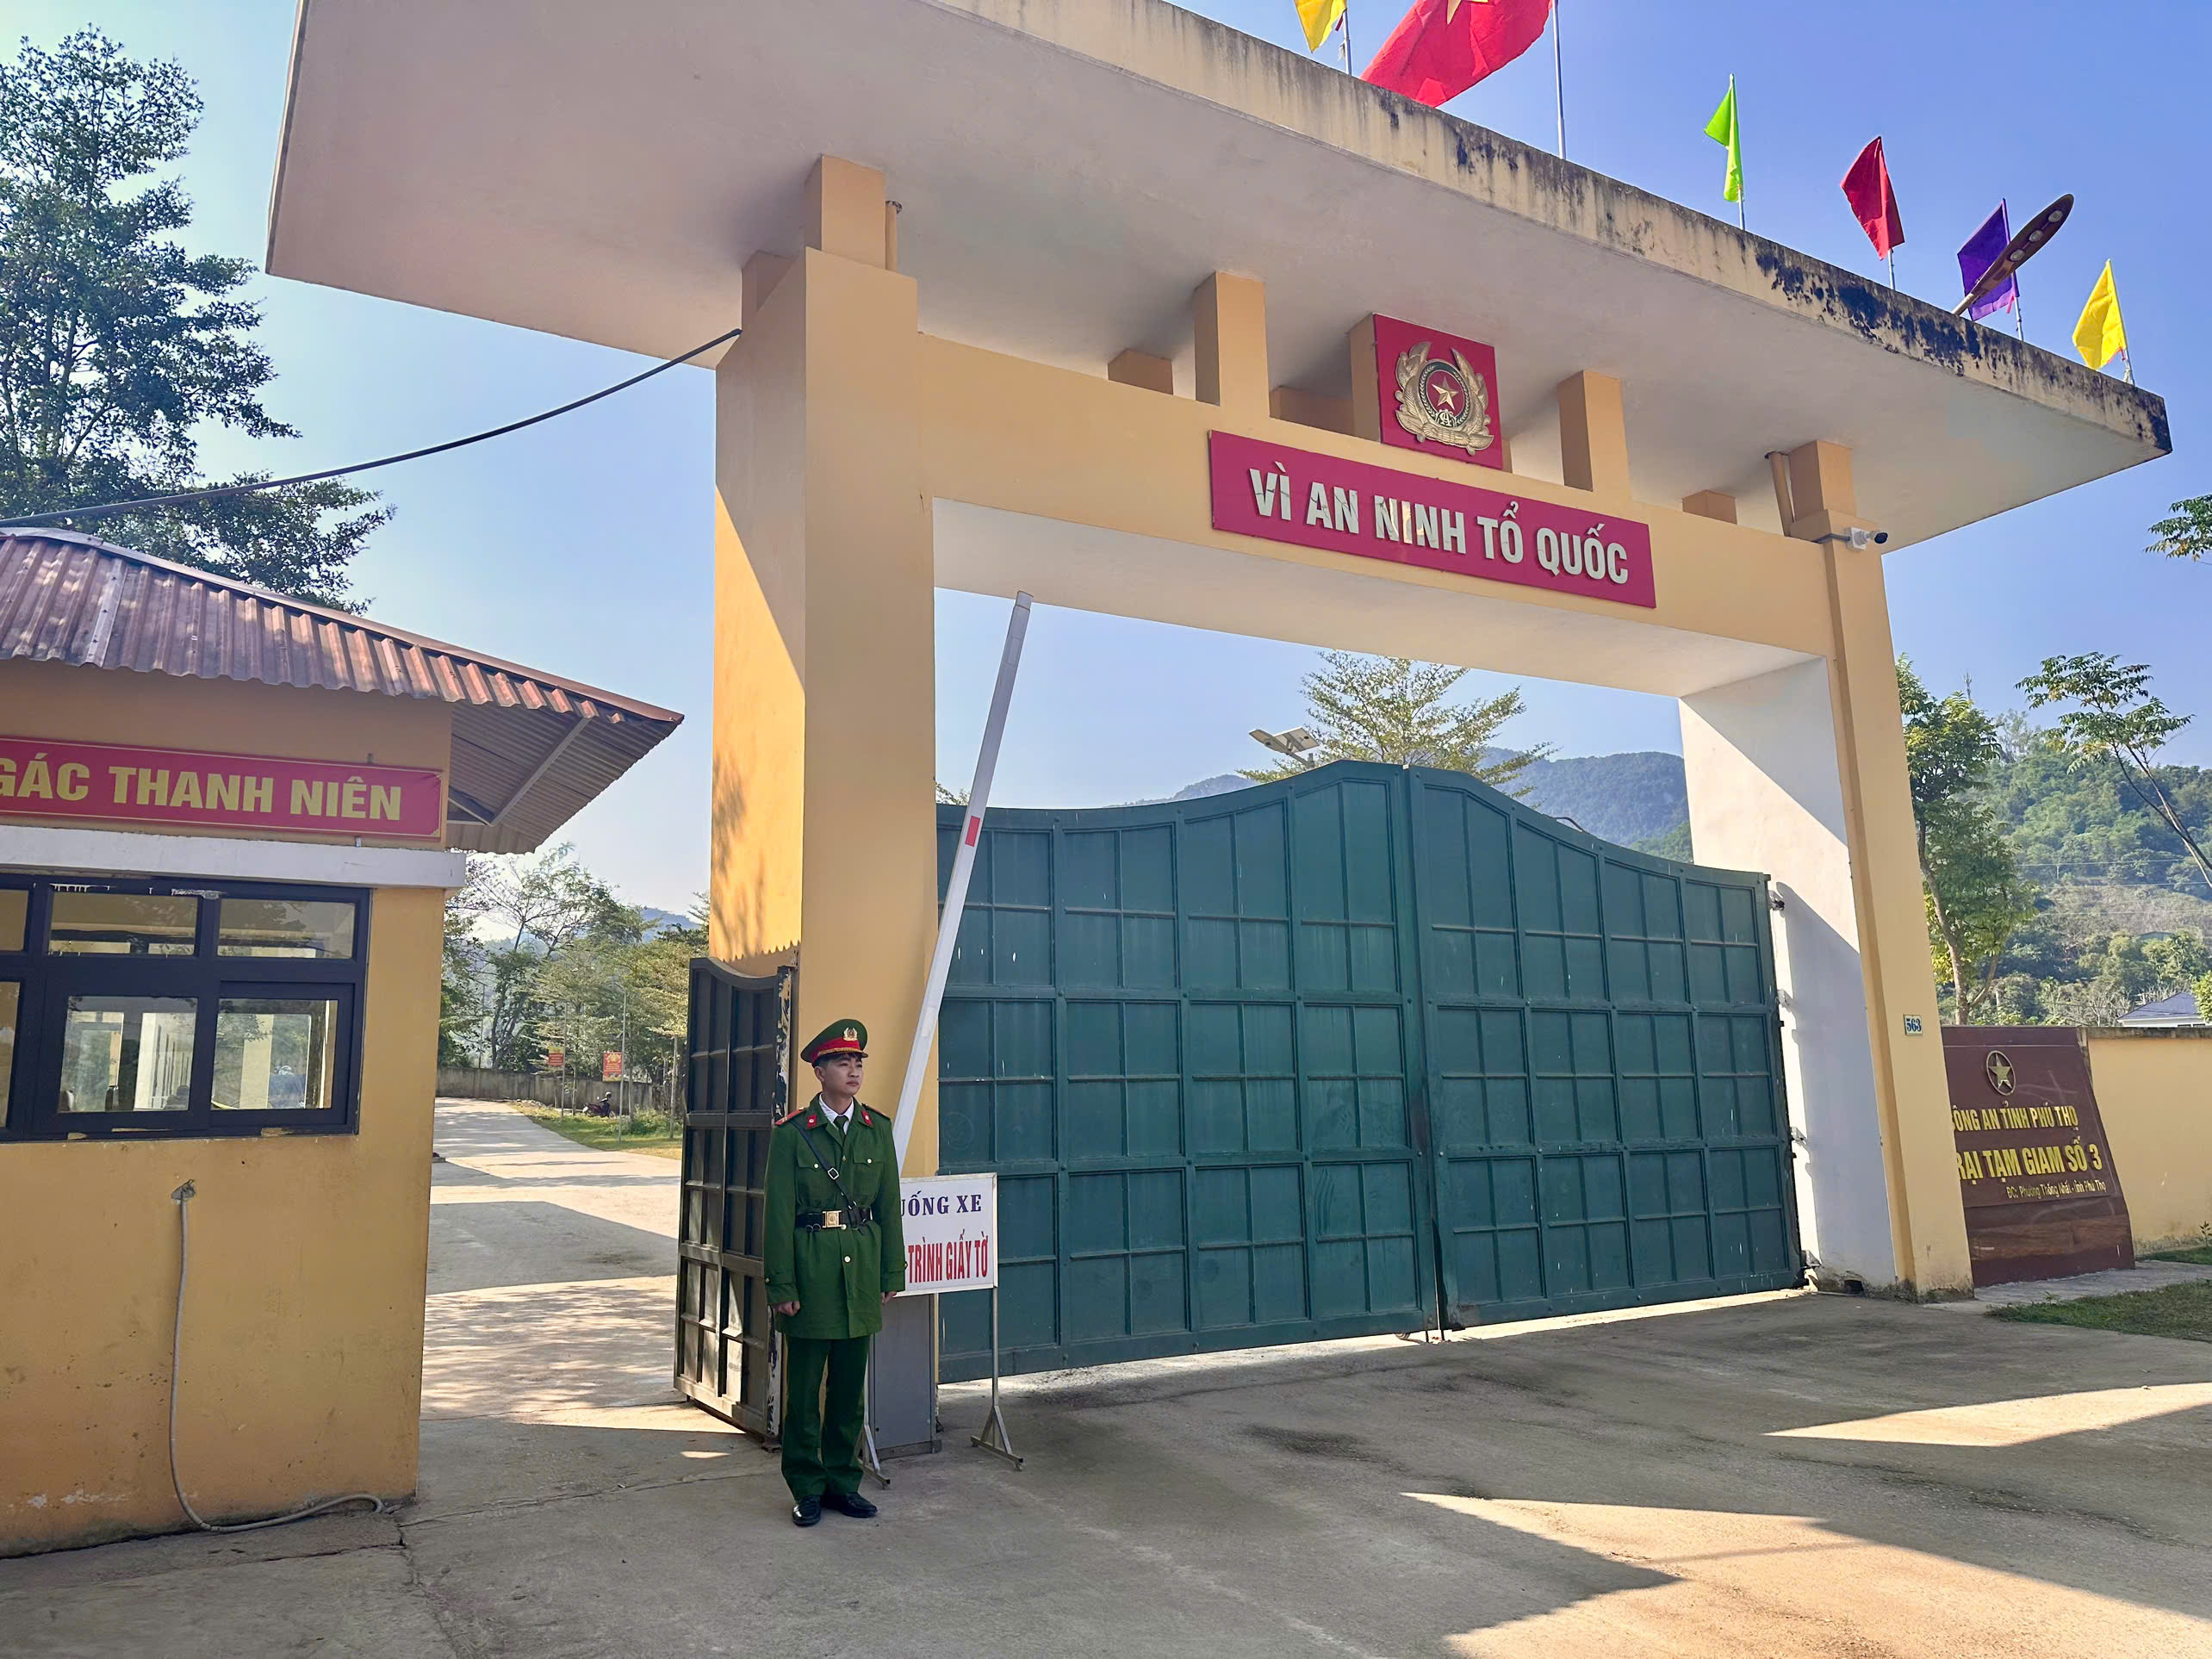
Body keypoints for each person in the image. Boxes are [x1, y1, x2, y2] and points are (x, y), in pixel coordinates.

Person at [764, 1019, 906, 1526]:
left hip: (861, 1272)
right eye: (842, 1062)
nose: (854, 1070)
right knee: (804, 1393)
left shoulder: (877, 1129)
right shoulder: (792, 1135)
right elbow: (777, 1214)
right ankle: (806, 1486)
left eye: (858, 1062)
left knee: (848, 1391)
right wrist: (781, 1284)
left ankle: (844, 1482)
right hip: (811, 1272)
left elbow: (889, 1207)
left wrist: (892, 1272)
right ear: (819, 1071)